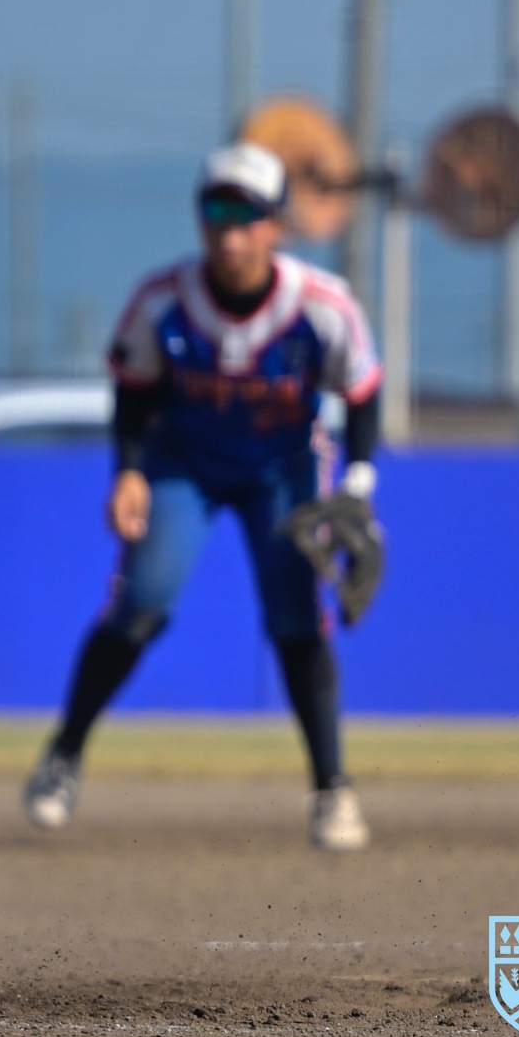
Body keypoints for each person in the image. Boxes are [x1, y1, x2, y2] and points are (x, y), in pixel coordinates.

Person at [22, 145, 382, 852]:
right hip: (182, 463)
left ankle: (332, 790)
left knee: (296, 619)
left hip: (280, 468)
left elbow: (362, 391)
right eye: (217, 211)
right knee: (141, 602)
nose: (230, 231)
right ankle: (62, 756)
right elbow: (132, 388)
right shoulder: (162, 299)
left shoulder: (321, 304)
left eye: (246, 214)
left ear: (275, 224)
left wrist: (359, 482)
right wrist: (127, 472)